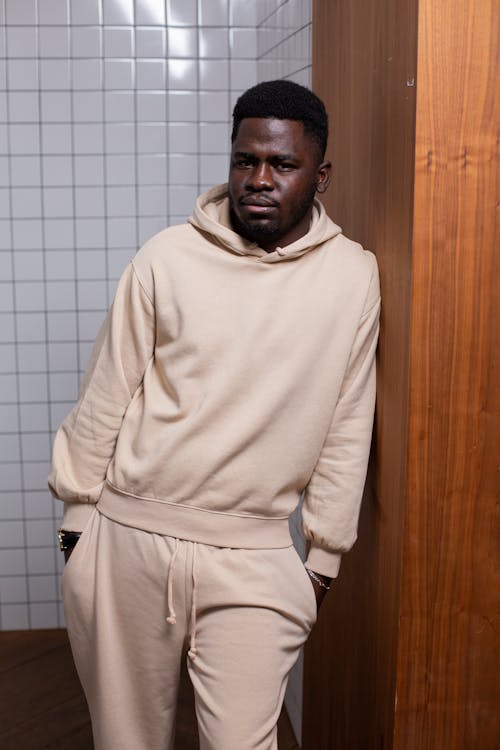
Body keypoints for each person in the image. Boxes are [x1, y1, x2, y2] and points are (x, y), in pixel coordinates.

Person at [49, 80, 380, 750]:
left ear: (321, 176)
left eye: (282, 165)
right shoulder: (166, 257)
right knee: (125, 741)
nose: (259, 179)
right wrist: (77, 526)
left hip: (254, 553)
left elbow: (349, 420)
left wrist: (322, 561)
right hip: (126, 540)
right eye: (244, 160)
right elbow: (107, 392)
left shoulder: (352, 275)